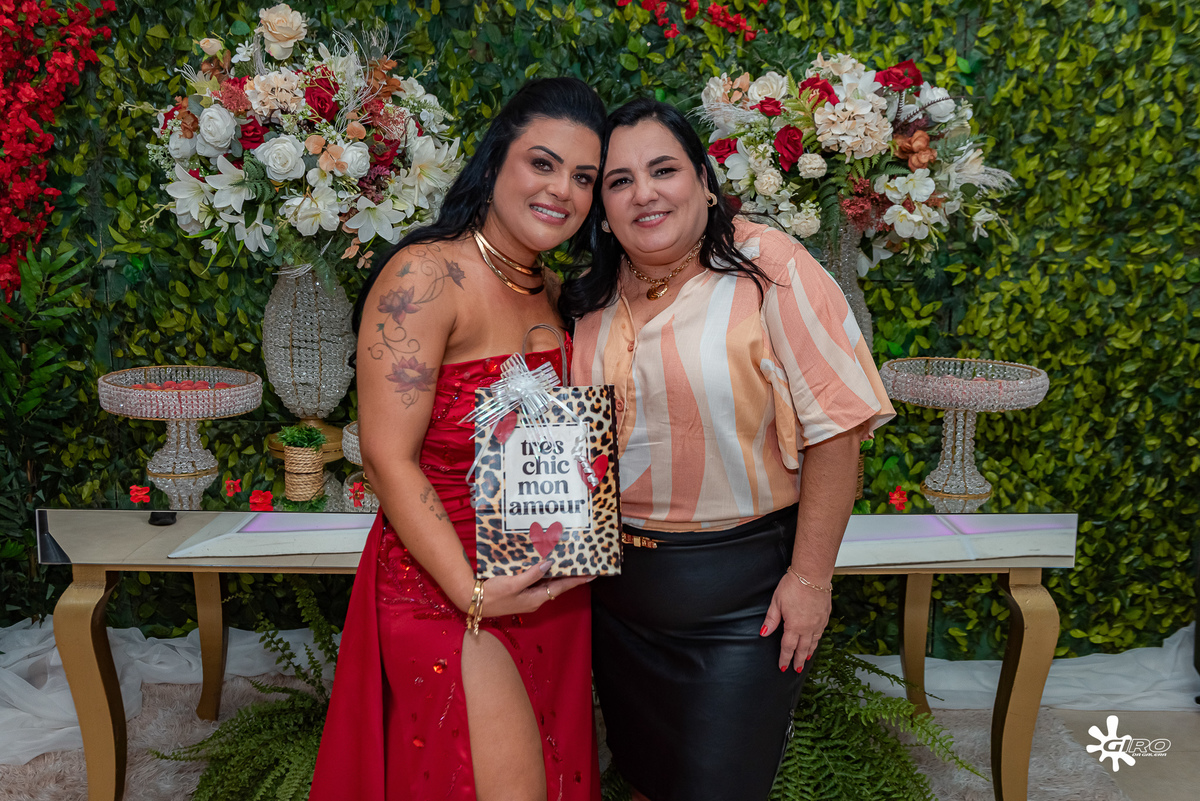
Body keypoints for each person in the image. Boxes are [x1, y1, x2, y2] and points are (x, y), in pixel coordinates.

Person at [561, 99, 895, 801]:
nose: (644, 193)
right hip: (616, 597)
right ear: (602, 209)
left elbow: (837, 427)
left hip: (743, 601)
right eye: (619, 181)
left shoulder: (769, 265)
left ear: (704, 182)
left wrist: (811, 581)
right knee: (646, 781)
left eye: (663, 170)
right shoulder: (587, 294)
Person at [311, 77, 607, 801]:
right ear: (496, 158)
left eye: (583, 177)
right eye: (542, 163)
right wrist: (473, 592)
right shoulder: (426, 276)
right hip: (442, 585)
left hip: (545, 584)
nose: (562, 190)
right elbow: (386, 455)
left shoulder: (556, 293)